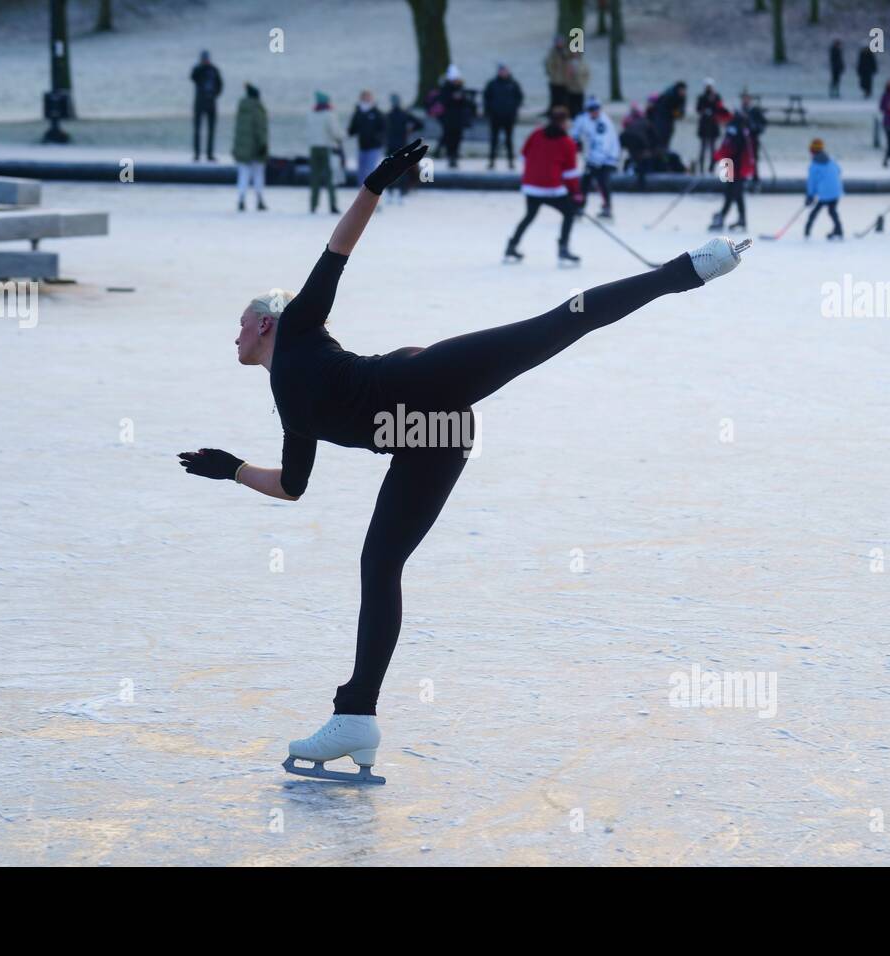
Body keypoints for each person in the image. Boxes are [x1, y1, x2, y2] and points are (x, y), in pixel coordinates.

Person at [178, 138, 753, 783]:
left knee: (556, 324)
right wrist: (230, 468)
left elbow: (336, 253)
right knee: (380, 561)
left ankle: (686, 270)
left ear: (262, 324)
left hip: (428, 379)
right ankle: (356, 718)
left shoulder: (301, 328)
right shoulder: (289, 405)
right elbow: (292, 486)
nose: (234, 336)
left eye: (239, 324)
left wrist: (373, 185)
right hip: (431, 435)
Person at [504, 106, 582, 265]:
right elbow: (570, 173)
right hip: (551, 188)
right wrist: (575, 193)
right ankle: (563, 249)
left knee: (529, 216)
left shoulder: (537, 133)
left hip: (531, 186)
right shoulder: (567, 142)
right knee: (569, 213)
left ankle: (511, 246)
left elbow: (524, 155)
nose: (569, 124)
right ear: (563, 123)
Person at [571, 95, 620, 218]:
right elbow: (575, 131)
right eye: (591, 109)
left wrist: (594, 162)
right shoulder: (584, 118)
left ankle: (607, 208)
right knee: (585, 182)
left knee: (603, 182)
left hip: (608, 157)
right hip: (593, 157)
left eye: (596, 109)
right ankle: (579, 207)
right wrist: (576, 141)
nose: (594, 112)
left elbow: (604, 144)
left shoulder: (603, 123)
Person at [710, 107, 755, 232]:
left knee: (732, 193)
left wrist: (714, 159)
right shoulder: (741, 128)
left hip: (734, 166)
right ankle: (740, 219)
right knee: (735, 193)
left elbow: (727, 148)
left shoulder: (733, 129)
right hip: (736, 166)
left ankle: (723, 217)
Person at [231, 83, 268, 212]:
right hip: (256, 149)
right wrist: (263, 145)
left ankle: (241, 199)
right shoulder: (257, 109)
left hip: (242, 149)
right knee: (258, 175)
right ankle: (259, 200)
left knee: (243, 175)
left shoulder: (242, 109)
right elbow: (260, 130)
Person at [429, 65, 474, 168]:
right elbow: (442, 101)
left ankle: (454, 156)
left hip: (458, 119)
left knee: (457, 138)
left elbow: (467, 103)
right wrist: (453, 98)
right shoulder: (446, 89)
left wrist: (461, 98)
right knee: (449, 138)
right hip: (448, 119)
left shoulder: (461, 89)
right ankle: (450, 156)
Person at [383, 94, 424, 202]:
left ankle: (390, 191)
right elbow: (420, 124)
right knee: (402, 169)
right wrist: (410, 130)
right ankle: (402, 191)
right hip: (403, 145)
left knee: (389, 169)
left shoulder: (388, 115)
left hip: (391, 146)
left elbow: (382, 130)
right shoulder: (404, 114)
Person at [306, 91, 343, 214]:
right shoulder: (329, 114)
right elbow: (335, 133)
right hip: (327, 148)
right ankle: (333, 205)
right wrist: (340, 139)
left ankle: (313, 205)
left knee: (315, 178)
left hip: (313, 148)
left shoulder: (311, 114)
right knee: (330, 178)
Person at [483, 63, 524, 170]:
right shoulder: (492, 84)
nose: (503, 73)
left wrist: (513, 109)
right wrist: (489, 111)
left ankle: (510, 162)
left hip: (509, 117)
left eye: (505, 70)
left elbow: (519, 97)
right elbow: (486, 98)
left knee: (509, 140)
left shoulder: (513, 84)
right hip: (495, 117)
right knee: (494, 140)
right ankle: (492, 161)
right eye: (502, 71)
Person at [804, 138, 844, 240]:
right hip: (836, 191)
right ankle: (839, 230)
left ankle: (807, 231)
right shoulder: (831, 160)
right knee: (832, 211)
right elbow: (839, 171)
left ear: (812, 151)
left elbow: (812, 182)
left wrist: (810, 196)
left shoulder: (814, 165)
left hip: (825, 193)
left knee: (815, 211)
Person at [348, 89, 386, 185]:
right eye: (364, 97)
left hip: (374, 146)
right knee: (361, 171)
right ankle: (362, 193)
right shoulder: (358, 112)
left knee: (370, 170)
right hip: (362, 146)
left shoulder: (377, 113)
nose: (366, 99)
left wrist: (378, 139)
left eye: (368, 96)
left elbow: (384, 129)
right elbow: (352, 129)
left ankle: (370, 192)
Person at [190, 50, 223, 162]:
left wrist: (214, 95)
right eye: (204, 59)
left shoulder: (214, 70)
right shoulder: (198, 69)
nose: (206, 60)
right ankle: (197, 154)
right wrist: (201, 66)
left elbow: (220, 84)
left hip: (211, 103)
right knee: (197, 130)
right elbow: (192, 77)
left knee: (211, 130)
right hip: (199, 103)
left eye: (206, 58)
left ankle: (210, 154)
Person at [695, 79, 722, 171]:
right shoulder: (701, 97)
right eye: (707, 86)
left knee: (713, 149)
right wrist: (705, 111)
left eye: (710, 86)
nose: (708, 88)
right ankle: (701, 169)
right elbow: (698, 109)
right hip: (704, 126)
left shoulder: (717, 97)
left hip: (713, 126)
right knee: (702, 149)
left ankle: (712, 168)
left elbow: (720, 109)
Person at [652, 81, 687, 151]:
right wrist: (674, 113)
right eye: (682, 90)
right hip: (661, 120)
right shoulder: (669, 95)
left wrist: (678, 113)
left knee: (667, 140)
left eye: (684, 90)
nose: (683, 92)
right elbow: (662, 109)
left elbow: (681, 111)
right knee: (660, 140)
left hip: (669, 121)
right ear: (678, 89)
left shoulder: (681, 97)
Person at [545, 36, 570, 114]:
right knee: (555, 98)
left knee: (564, 98)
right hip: (555, 80)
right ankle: (553, 112)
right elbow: (548, 64)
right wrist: (552, 73)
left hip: (565, 80)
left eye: (561, 42)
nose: (559, 44)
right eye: (558, 42)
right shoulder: (552, 53)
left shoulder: (566, 52)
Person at [565, 50, 590, 118]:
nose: (575, 54)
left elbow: (587, 74)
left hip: (580, 87)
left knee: (580, 103)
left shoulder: (583, 63)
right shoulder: (569, 63)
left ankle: (580, 116)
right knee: (572, 103)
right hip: (571, 87)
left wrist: (584, 83)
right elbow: (566, 74)